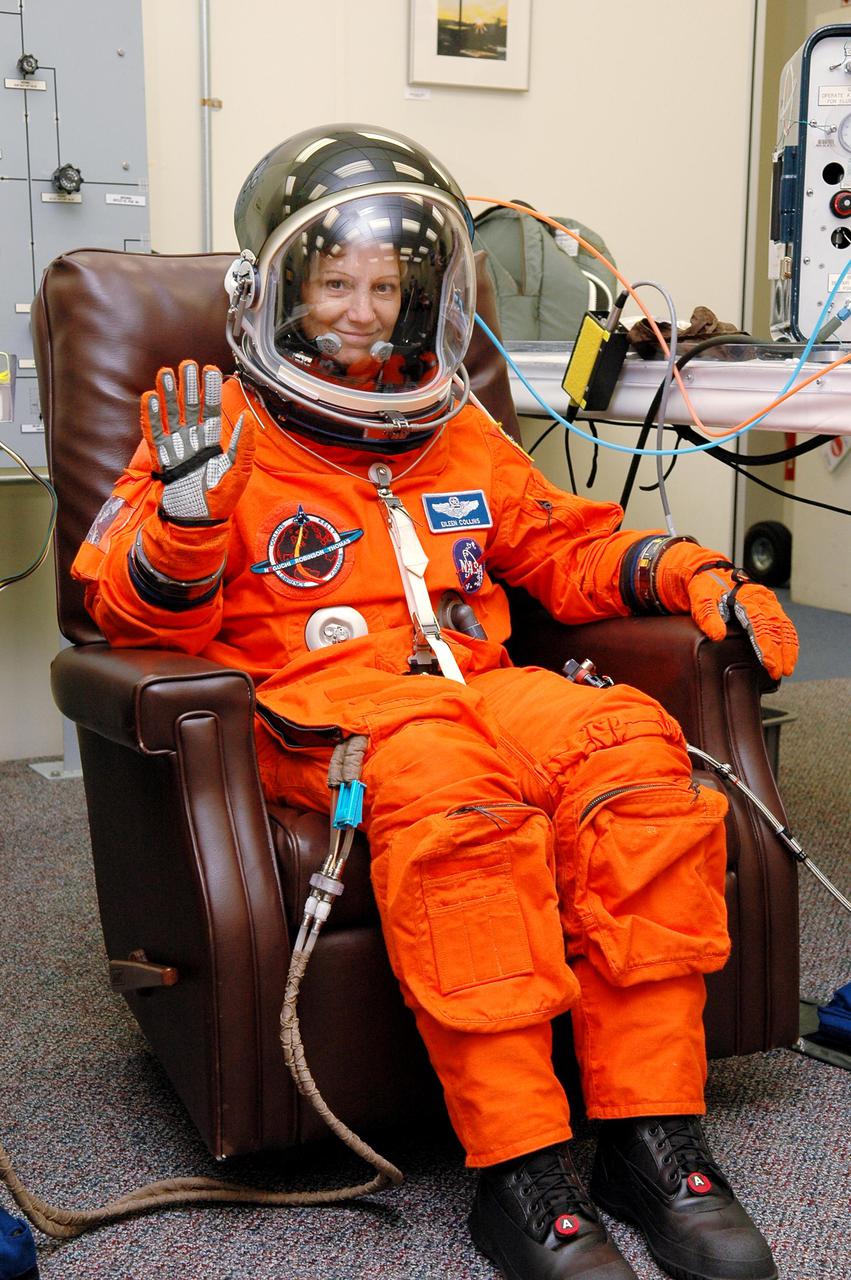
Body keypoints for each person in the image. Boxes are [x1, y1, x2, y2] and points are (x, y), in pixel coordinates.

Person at [72, 124, 797, 1280]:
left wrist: (686, 572)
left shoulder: (453, 424)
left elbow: (559, 545)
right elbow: (129, 620)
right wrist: (190, 515)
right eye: (333, 282)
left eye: (386, 285)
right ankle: (521, 1171)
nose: (361, 311)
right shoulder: (208, 420)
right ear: (279, 289)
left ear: (423, 296)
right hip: (332, 709)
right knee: (454, 804)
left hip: (484, 686)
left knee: (633, 754)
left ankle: (649, 1135)